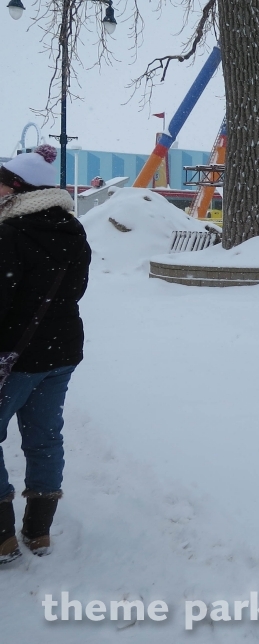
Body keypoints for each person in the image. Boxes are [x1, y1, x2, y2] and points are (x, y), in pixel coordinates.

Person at [0, 144, 90, 564]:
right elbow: (74, 291)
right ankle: (38, 532)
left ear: (19, 189)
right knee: (44, 437)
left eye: (2, 184)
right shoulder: (73, 231)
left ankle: (2, 537)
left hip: (15, 355)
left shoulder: (10, 234)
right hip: (61, 350)